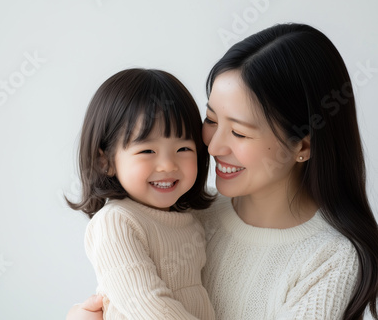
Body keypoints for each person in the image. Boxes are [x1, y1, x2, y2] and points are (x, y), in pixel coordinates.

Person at [66, 23, 378, 320]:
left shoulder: (331, 260)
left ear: (302, 147)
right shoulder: (184, 210)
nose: (212, 147)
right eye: (211, 120)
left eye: (239, 133)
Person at [67, 68, 216, 319]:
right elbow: (148, 306)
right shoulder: (116, 221)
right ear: (106, 162)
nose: (168, 165)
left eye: (183, 148)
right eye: (147, 151)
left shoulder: (192, 219)